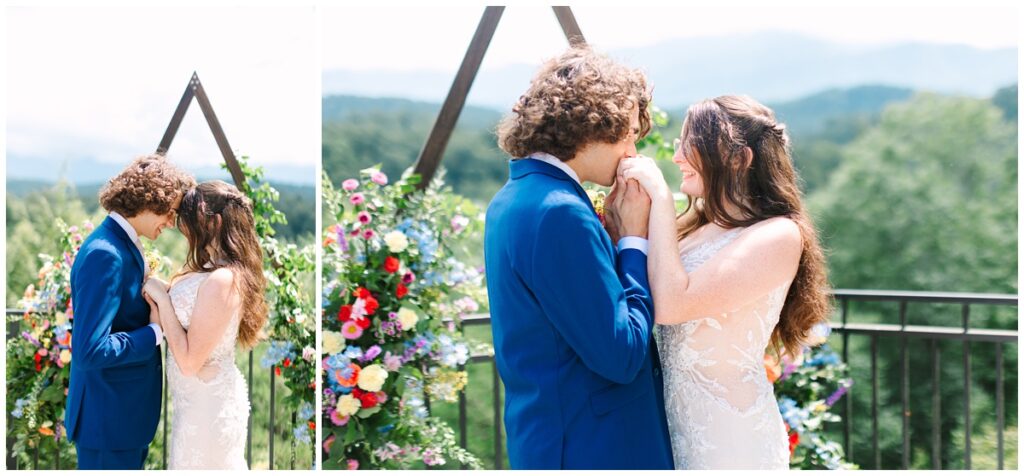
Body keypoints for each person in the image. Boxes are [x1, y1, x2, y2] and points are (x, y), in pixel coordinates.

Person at [483, 46, 673, 469]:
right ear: (599, 122)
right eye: (630, 133)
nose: (633, 151)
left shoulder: (512, 197)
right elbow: (621, 355)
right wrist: (633, 242)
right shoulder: (559, 211)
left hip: (552, 438)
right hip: (592, 446)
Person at [619, 95, 832, 469]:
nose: (677, 157)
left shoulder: (779, 235)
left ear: (739, 158)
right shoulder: (695, 228)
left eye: (690, 144)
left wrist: (661, 199)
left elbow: (670, 305)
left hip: (731, 444)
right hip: (671, 434)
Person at [65, 154, 195, 469]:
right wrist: (154, 332)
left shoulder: (120, 243)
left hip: (121, 420)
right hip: (108, 423)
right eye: (171, 211)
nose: (172, 222)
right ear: (151, 200)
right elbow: (90, 351)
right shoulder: (106, 254)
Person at [142, 180, 267, 470]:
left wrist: (162, 297)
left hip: (209, 407)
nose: (181, 226)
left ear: (215, 221)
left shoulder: (223, 279)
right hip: (193, 405)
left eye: (188, 218)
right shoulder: (210, 270)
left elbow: (188, 362)